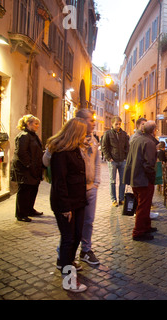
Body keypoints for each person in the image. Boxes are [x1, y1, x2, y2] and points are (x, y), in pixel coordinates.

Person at [46, 118, 88, 293]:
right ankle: (69, 279)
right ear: (76, 133)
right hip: (66, 203)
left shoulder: (75, 149)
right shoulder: (61, 152)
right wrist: (65, 207)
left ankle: (67, 262)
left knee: (77, 235)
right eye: (83, 132)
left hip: (78, 200)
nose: (86, 136)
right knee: (68, 239)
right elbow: (59, 182)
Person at [123, 120, 158, 241]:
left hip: (135, 177)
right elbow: (149, 164)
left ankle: (145, 227)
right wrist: (152, 178)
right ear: (154, 131)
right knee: (143, 205)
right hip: (143, 179)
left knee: (143, 205)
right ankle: (138, 232)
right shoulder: (149, 143)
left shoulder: (136, 139)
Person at [75, 109, 101, 265]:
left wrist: (96, 183)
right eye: (91, 120)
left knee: (89, 221)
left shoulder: (93, 141)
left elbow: (97, 162)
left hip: (91, 188)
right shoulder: (72, 140)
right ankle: (65, 255)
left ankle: (85, 250)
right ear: (81, 121)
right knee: (72, 224)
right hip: (76, 190)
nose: (94, 122)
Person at [10, 115, 44, 222]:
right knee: (24, 190)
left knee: (33, 188)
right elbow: (21, 153)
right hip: (24, 169)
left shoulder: (34, 135)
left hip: (34, 168)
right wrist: (29, 165)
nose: (37, 126)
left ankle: (29, 209)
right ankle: (21, 214)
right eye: (35, 123)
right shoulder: (23, 136)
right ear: (28, 124)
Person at [101, 116, 130, 207]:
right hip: (112, 161)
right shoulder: (108, 134)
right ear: (112, 124)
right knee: (112, 181)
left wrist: (126, 157)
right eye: (116, 124)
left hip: (122, 161)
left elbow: (127, 147)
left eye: (119, 124)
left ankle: (121, 199)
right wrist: (109, 158)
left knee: (123, 181)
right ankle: (114, 199)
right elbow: (104, 147)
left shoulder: (124, 134)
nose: (118, 125)